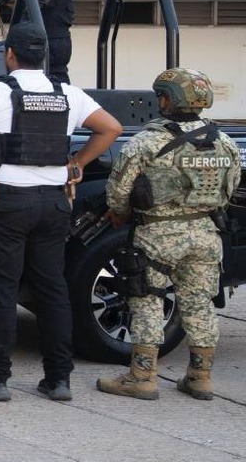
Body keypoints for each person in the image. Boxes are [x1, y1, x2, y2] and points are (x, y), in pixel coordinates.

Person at [0, 22, 121, 402]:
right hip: (54, 203)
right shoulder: (68, 94)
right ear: (43, 55)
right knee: (52, 290)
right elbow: (110, 128)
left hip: (5, 204)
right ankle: (58, 379)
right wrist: (76, 164)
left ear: (9, 54)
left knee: (1, 290)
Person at [97, 68, 241, 401]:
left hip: (157, 235)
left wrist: (119, 212)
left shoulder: (147, 141)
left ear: (168, 100)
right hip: (206, 234)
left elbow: (118, 190)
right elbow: (230, 188)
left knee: (147, 299)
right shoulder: (224, 142)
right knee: (200, 304)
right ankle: (200, 377)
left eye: (161, 95)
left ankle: (142, 377)